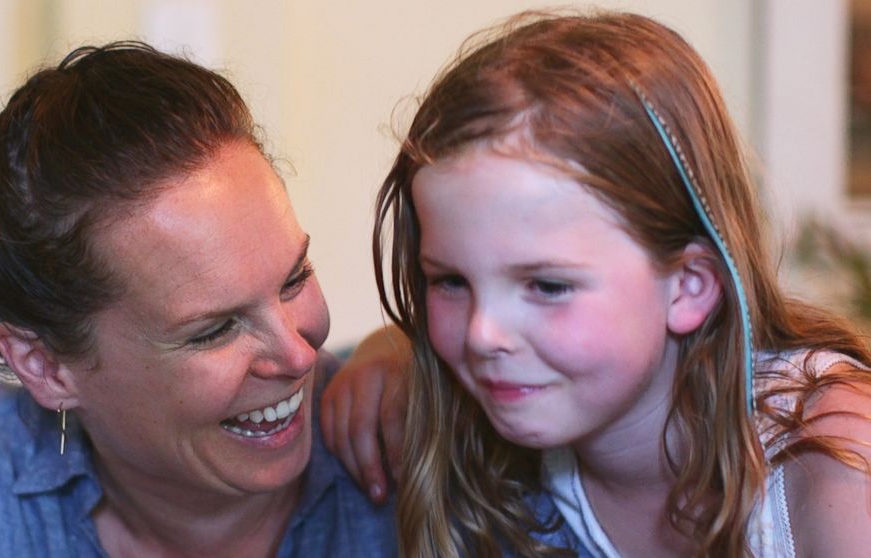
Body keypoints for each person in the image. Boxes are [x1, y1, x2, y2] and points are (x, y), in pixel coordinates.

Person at [326, 9, 871, 558]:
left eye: (546, 286)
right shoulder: (501, 429)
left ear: (687, 285)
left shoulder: (840, 466)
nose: (481, 334)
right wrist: (390, 344)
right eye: (450, 281)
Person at [0, 41, 398, 557]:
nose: (300, 355)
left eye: (294, 278)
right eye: (215, 330)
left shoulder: (405, 426)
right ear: (46, 366)